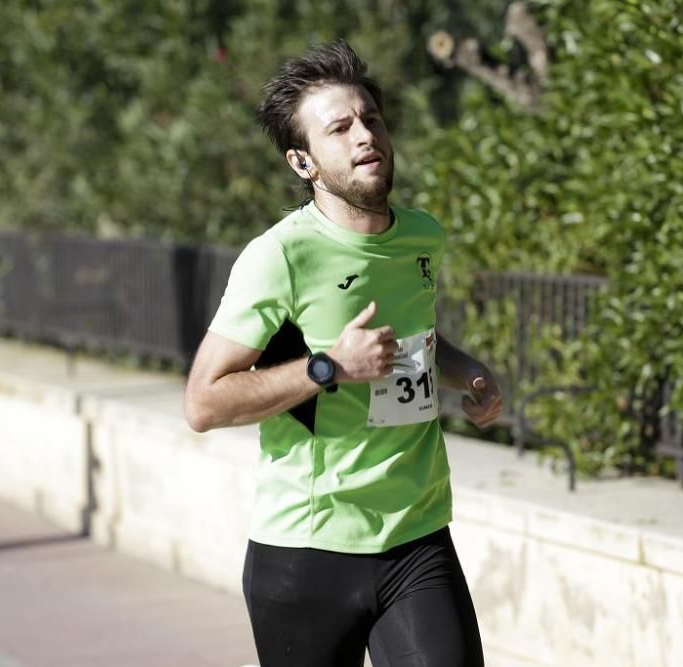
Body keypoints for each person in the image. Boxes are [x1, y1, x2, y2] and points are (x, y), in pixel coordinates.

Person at [184, 40, 502, 667]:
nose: (365, 136)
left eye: (372, 119)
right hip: (307, 553)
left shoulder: (421, 236)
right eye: (340, 127)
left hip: (416, 536)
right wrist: (328, 367)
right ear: (303, 161)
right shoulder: (280, 257)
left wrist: (469, 374)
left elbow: (411, 347)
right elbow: (203, 402)